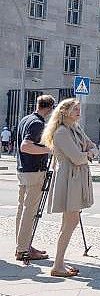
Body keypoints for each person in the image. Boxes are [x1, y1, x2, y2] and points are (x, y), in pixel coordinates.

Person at [44, 98, 98, 277]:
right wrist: (89, 153)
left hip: (76, 178)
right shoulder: (61, 132)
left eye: (79, 108)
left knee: (68, 222)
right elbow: (77, 157)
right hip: (69, 179)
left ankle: (59, 263)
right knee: (71, 221)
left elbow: (92, 146)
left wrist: (90, 152)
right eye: (75, 109)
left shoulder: (76, 127)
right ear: (64, 111)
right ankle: (57, 265)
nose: (78, 112)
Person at [15, 95, 55, 262]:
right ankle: (23, 249)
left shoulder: (26, 119)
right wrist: (49, 149)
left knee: (22, 210)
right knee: (29, 211)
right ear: (50, 108)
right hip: (34, 171)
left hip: (23, 170)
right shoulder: (37, 123)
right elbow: (26, 146)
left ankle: (23, 245)